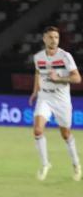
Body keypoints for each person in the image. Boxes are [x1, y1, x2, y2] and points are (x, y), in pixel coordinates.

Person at [28, 26, 81, 181]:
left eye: (56, 37)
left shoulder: (65, 56)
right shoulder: (38, 57)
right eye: (50, 37)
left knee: (65, 134)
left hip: (61, 99)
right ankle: (45, 164)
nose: (54, 40)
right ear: (44, 38)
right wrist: (35, 91)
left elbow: (77, 78)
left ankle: (76, 164)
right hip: (45, 97)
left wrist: (60, 79)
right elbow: (38, 73)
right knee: (37, 130)